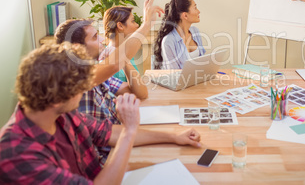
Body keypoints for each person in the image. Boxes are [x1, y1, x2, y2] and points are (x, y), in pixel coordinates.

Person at [0, 43, 201, 184]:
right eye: (82, 89)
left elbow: (110, 133)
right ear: (59, 100)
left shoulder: (61, 115)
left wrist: (175, 137)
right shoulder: (15, 153)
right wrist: (130, 130)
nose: (86, 91)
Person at [54, 0, 157, 163]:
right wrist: (147, 24)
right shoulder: (73, 77)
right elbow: (113, 66)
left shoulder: (95, 69)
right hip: (105, 159)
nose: (102, 39)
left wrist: (125, 62)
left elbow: (140, 92)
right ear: (77, 48)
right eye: (95, 37)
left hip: (119, 140)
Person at [100, 6, 147, 99]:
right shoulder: (107, 59)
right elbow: (138, 93)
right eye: (133, 21)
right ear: (120, 26)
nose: (137, 25)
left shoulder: (125, 52)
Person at [153, 0, 205, 69]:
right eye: (195, 8)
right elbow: (173, 74)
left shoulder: (195, 31)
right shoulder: (168, 41)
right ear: (185, 15)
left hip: (198, 78)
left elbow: (202, 62)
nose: (198, 11)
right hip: (178, 80)